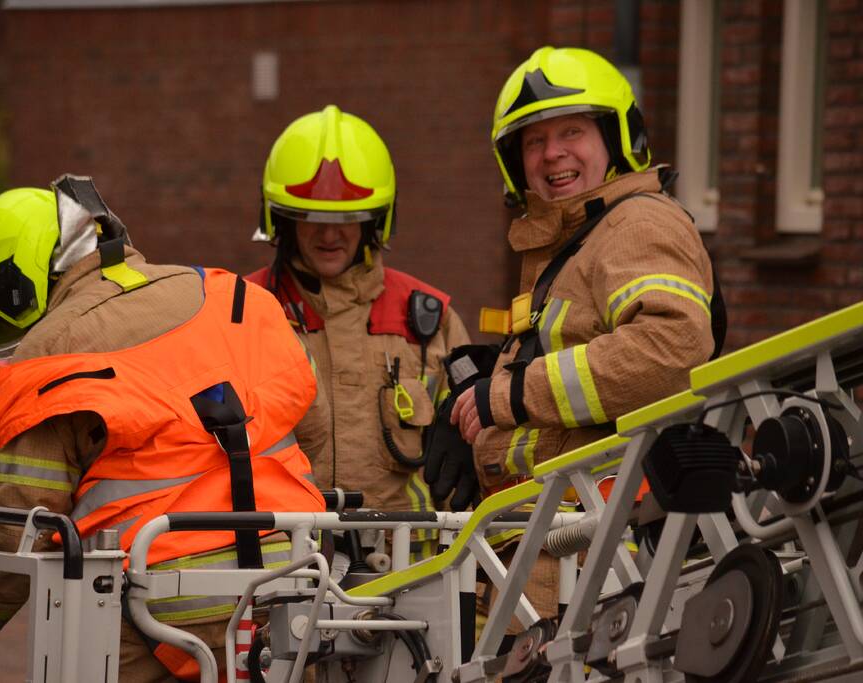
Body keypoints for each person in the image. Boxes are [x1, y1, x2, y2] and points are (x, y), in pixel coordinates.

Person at [0, 176, 324, 682]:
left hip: (158, 608)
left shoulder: (51, 354)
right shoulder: (232, 297)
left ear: (13, 282)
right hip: (295, 588)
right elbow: (311, 433)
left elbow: (12, 539)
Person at [449, 46, 720, 618]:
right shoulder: (576, 240)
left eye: (571, 131)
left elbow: (671, 347)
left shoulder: (638, 221)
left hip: (604, 570)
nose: (552, 154)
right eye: (533, 141)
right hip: (553, 560)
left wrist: (511, 394)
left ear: (617, 138)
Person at [246, 105, 472, 561]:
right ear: (283, 220)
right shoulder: (246, 310)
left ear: (374, 221)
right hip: (282, 566)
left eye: (348, 218)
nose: (330, 234)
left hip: (410, 572)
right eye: (312, 217)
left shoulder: (428, 320)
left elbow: (469, 463)